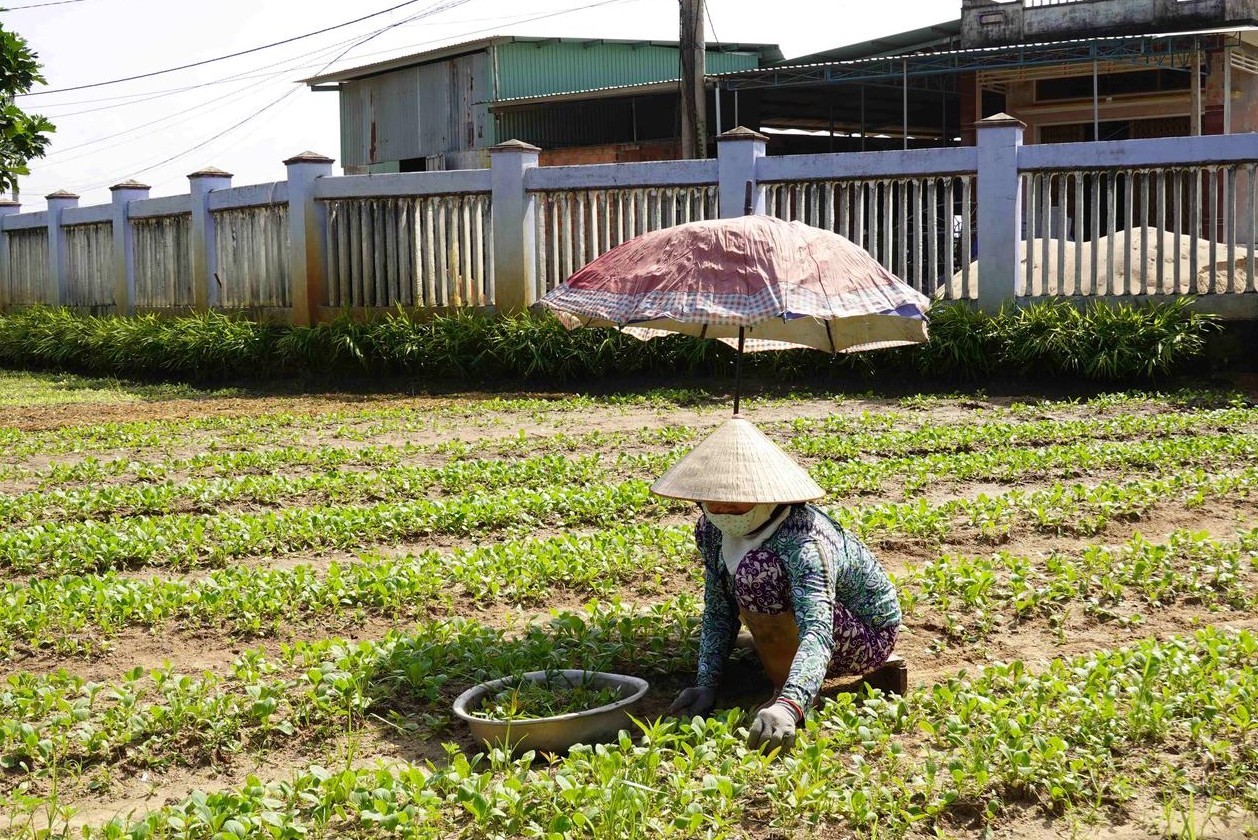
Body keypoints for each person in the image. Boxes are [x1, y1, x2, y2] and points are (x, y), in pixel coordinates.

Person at [655, 416, 901, 752]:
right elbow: (718, 608)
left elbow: (817, 630)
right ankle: (773, 657)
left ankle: (785, 683)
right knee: (752, 575)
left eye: (737, 498)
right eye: (714, 499)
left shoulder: (803, 541)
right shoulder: (711, 530)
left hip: (865, 633)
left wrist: (789, 705)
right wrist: (706, 683)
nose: (724, 508)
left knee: (759, 570)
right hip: (800, 624)